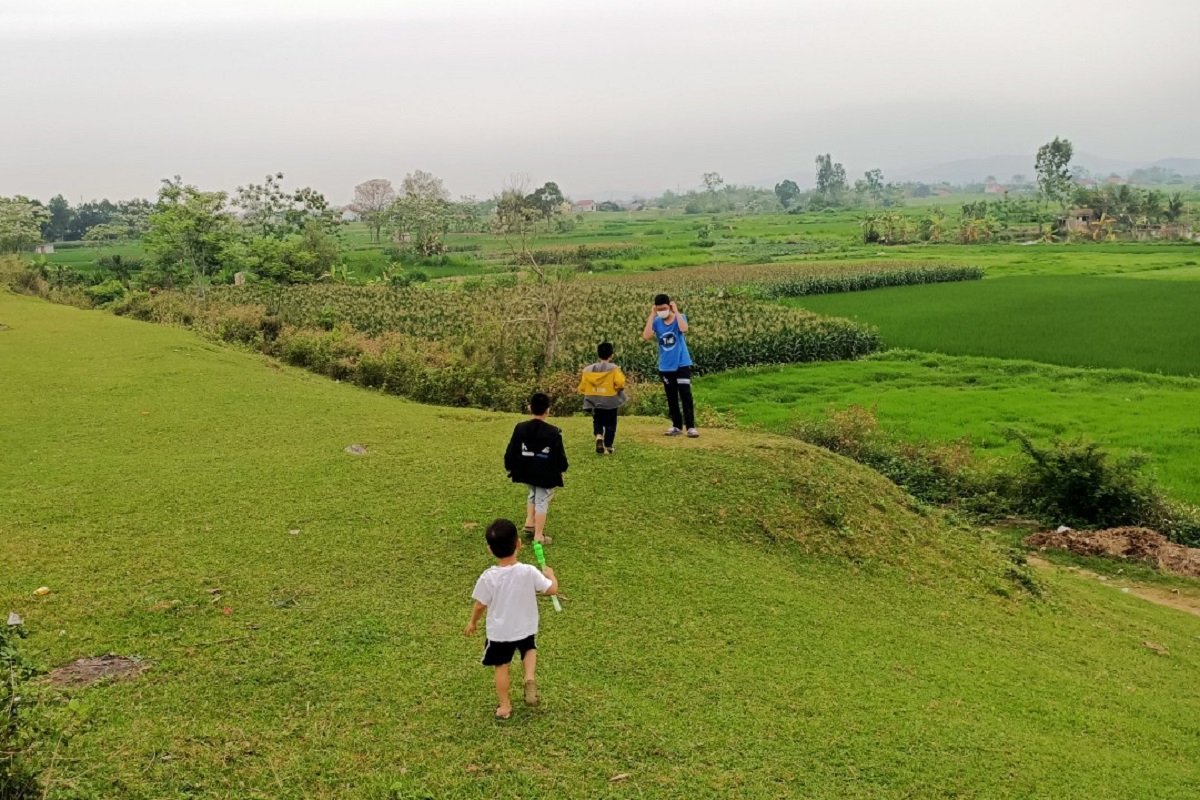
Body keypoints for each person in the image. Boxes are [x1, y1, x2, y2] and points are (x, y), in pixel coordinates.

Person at [465, 519, 560, 720]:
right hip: (525, 626)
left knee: (501, 666)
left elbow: (481, 604)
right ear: (518, 544)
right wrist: (551, 575)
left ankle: (505, 706)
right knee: (529, 649)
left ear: (489, 550)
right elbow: (552, 589)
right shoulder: (528, 571)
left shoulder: (488, 577)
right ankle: (529, 677)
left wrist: (473, 622)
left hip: (500, 633)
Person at [504, 392, 569, 544]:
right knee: (542, 499)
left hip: (525, 471)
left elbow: (511, 449)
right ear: (548, 410)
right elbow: (559, 455)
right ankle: (538, 536)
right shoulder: (553, 432)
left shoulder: (520, 428)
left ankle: (529, 521)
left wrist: (509, 466)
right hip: (544, 474)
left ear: (529, 408)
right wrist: (562, 470)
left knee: (533, 492)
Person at [642, 293, 698, 438]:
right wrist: (652, 315)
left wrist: (676, 311)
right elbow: (646, 336)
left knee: (685, 395)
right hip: (666, 366)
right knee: (671, 397)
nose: (662, 311)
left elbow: (684, 329)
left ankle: (691, 427)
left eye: (664, 308)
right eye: (659, 309)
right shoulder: (657, 321)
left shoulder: (680, 317)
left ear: (670, 306)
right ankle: (676, 426)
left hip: (682, 363)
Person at [577, 341, 628, 455]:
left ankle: (599, 436)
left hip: (595, 401)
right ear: (611, 355)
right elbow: (620, 383)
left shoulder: (588, 370)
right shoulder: (614, 369)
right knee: (611, 424)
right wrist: (617, 388)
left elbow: (583, 386)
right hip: (610, 401)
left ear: (598, 355)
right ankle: (608, 446)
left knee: (598, 420)